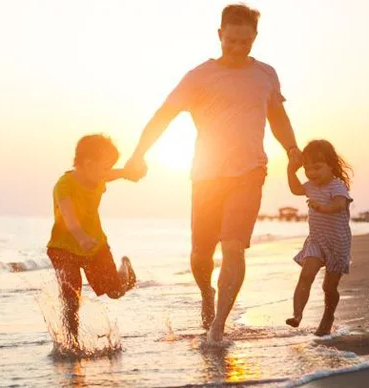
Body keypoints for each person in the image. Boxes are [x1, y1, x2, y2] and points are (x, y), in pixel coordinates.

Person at [124, 4, 302, 343]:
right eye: (231, 41)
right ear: (220, 35)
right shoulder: (198, 77)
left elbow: (277, 116)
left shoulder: (266, 74)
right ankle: (207, 292)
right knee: (201, 254)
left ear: (255, 38)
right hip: (206, 175)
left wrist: (292, 148)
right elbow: (163, 115)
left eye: (245, 42)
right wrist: (138, 155)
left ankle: (219, 324)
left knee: (234, 247)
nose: (237, 48)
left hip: (250, 173)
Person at [46, 134, 138, 349]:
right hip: (64, 248)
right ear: (88, 164)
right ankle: (72, 344)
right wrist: (80, 237)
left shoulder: (97, 178)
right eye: (104, 167)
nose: (107, 173)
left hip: (95, 247)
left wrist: (125, 173)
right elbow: (68, 216)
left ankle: (125, 270)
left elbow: (111, 175)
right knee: (71, 298)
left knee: (115, 292)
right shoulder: (64, 185)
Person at [285, 140, 353, 336]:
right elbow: (296, 189)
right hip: (316, 241)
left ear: (331, 165)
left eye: (317, 167)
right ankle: (297, 315)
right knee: (306, 275)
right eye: (307, 168)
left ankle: (328, 316)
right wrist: (291, 171)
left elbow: (339, 205)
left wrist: (322, 208)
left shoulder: (337, 186)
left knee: (328, 287)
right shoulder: (310, 186)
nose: (312, 173)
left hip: (337, 243)